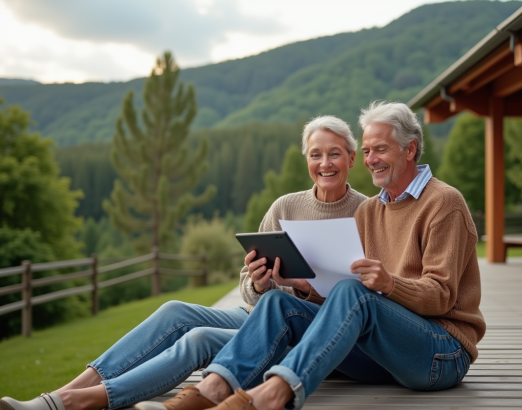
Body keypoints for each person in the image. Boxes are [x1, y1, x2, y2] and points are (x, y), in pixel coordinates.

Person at [0, 116, 367, 410]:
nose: (325, 163)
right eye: (316, 154)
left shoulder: (368, 213)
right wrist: (259, 283)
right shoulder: (285, 207)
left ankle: (78, 402)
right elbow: (249, 291)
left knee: (199, 339)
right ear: (306, 159)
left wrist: (307, 289)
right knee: (175, 309)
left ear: (351, 158)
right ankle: (62, 394)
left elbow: (367, 302)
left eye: (334, 154)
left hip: (311, 331)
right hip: (263, 312)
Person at [145, 101, 486, 410]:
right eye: (367, 151)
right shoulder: (370, 211)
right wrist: (302, 285)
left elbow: (441, 297)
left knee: (356, 294)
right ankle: (215, 389)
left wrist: (389, 284)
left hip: (440, 353)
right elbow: (351, 299)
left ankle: (274, 394)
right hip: (384, 354)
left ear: (410, 149)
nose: (370, 160)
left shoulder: (444, 203)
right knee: (279, 304)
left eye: (380, 149)